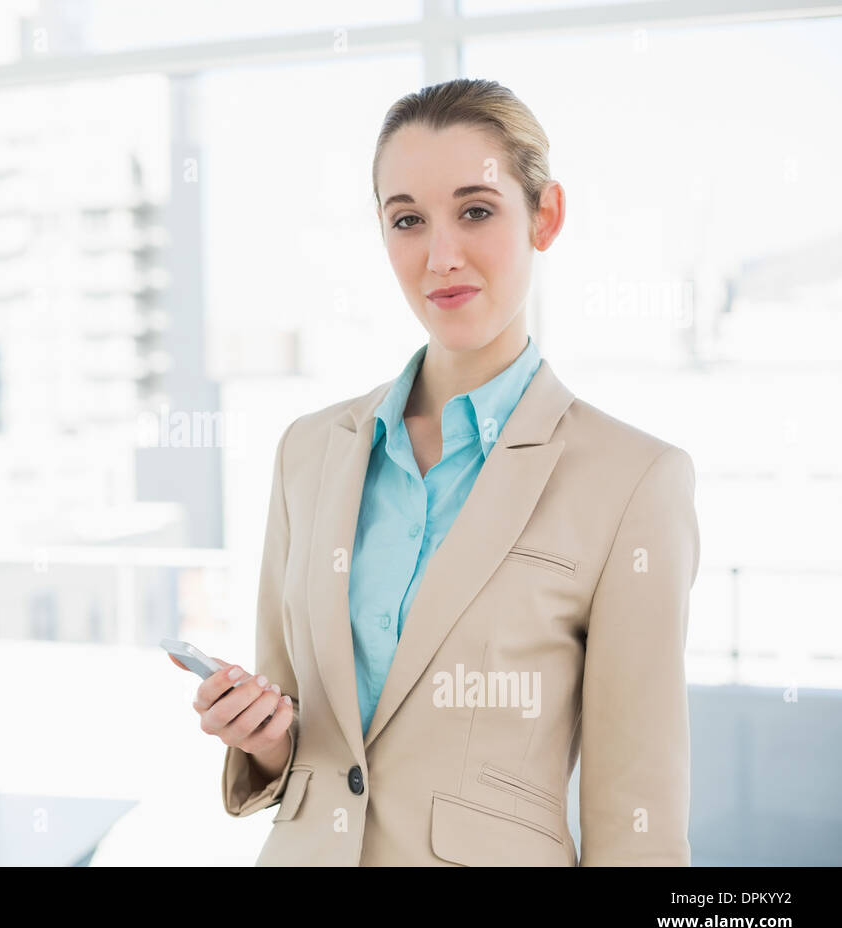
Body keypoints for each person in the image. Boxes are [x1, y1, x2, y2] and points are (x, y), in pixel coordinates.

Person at [175, 78, 700, 866]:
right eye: (408, 220)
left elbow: (639, 817)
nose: (441, 255)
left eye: (477, 210)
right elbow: (301, 747)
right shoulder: (309, 452)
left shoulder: (634, 481)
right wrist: (266, 739)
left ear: (544, 216)